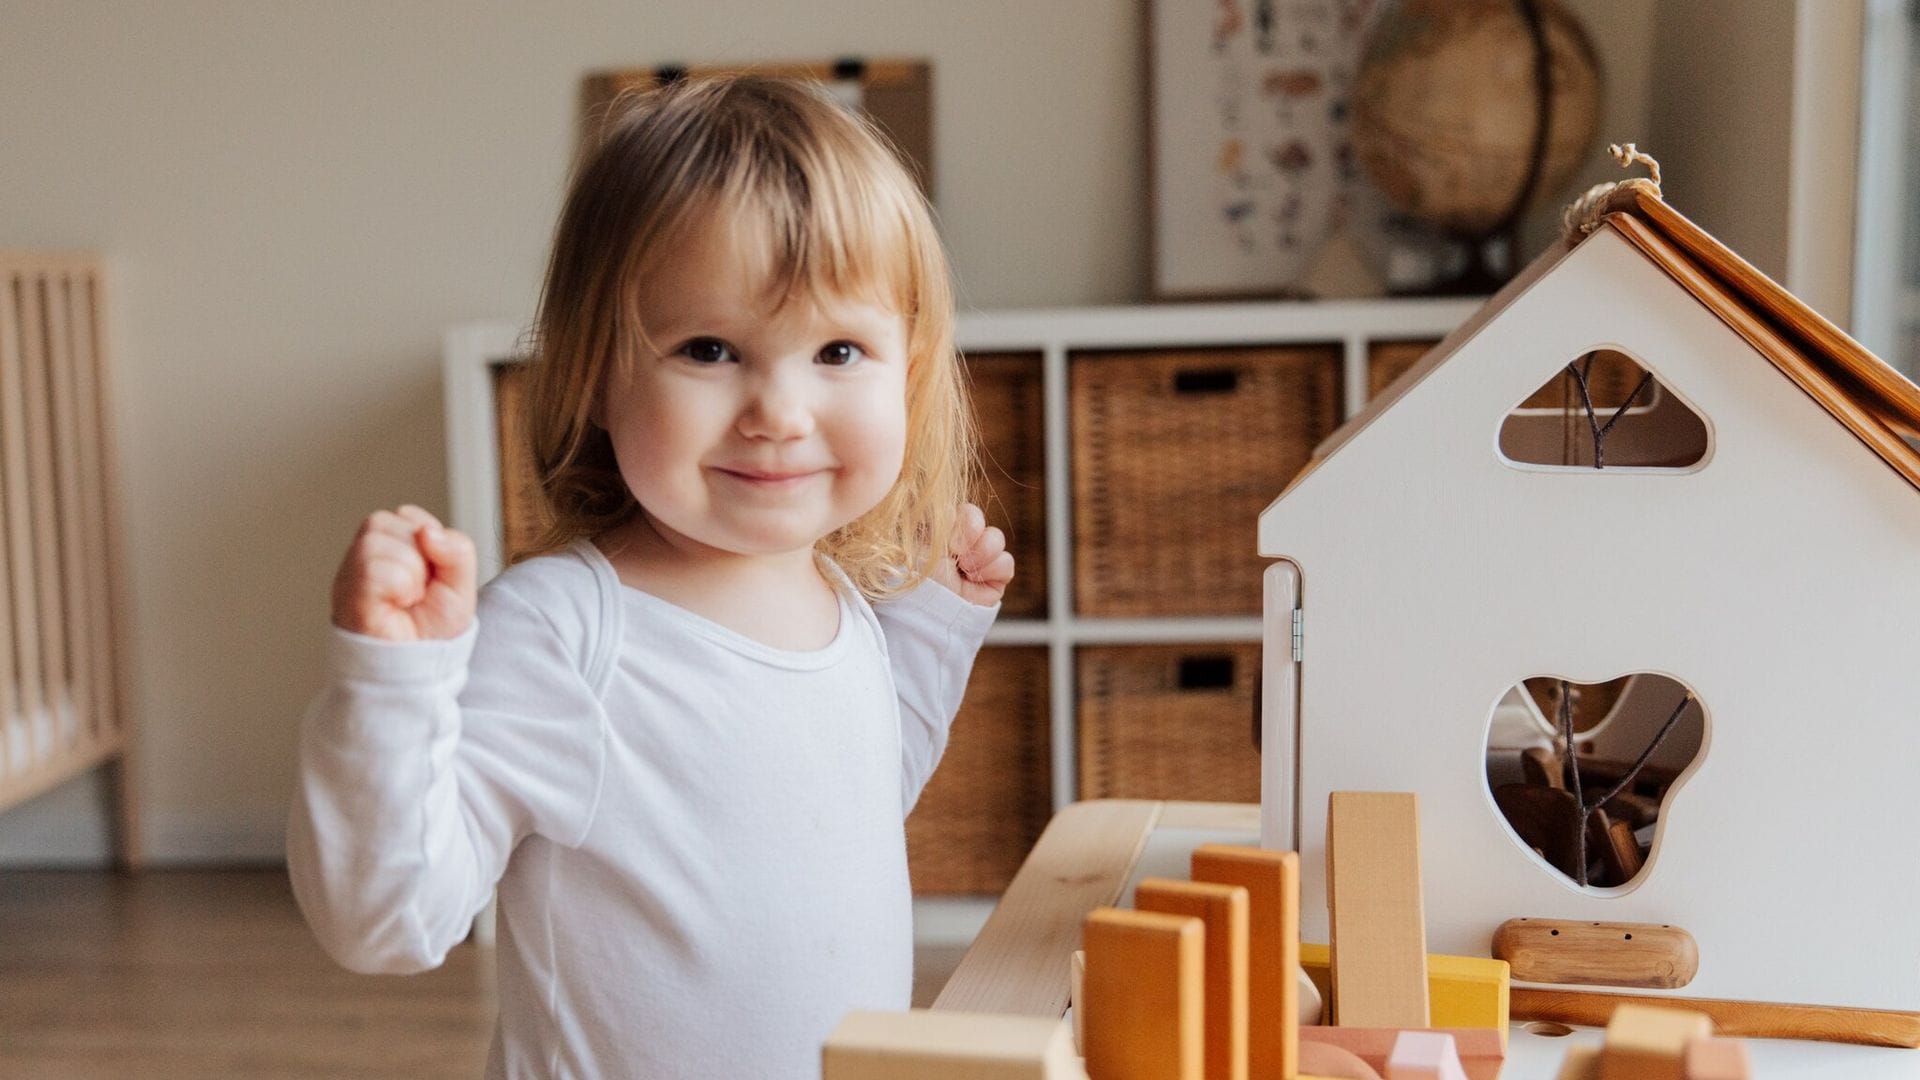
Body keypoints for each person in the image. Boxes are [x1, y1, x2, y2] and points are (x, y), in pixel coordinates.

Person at [286, 74, 1013, 1079]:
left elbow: (851, 807)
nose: (780, 411)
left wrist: (931, 634)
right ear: (594, 369)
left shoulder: (837, 604)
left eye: (838, 349)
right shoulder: (564, 636)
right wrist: (389, 686)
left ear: (912, 372)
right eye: (710, 349)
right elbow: (386, 920)